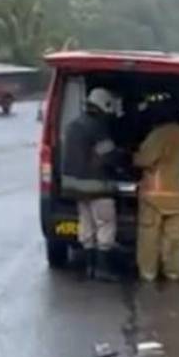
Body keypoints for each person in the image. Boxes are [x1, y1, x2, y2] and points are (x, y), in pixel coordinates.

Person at [60, 87, 122, 282]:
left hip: (74, 187)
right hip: (97, 186)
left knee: (86, 226)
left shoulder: (72, 126)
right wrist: (124, 161)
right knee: (105, 224)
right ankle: (103, 269)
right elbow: (109, 156)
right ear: (104, 106)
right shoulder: (97, 127)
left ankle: (89, 266)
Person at [134, 100, 179, 282]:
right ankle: (174, 272)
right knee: (176, 238)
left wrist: (133, 155)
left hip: (155, 196)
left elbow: (143, 159)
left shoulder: (159, 135)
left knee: (149, 236)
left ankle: (149, 273)